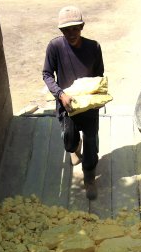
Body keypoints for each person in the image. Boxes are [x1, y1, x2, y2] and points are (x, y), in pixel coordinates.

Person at [42, 6, 104, 200]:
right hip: (66, 104)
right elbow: (46, 74)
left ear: (82, 26)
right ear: (61, 31)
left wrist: (98, 97)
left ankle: (90, 178)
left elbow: (99, 76)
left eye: (75, 28)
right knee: (69, 142)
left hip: (88, 106)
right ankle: (75, 148)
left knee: (92, 142)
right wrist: (61, 94)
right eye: (66, 30)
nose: (71, 34)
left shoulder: (94, 47)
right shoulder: (55, 47)